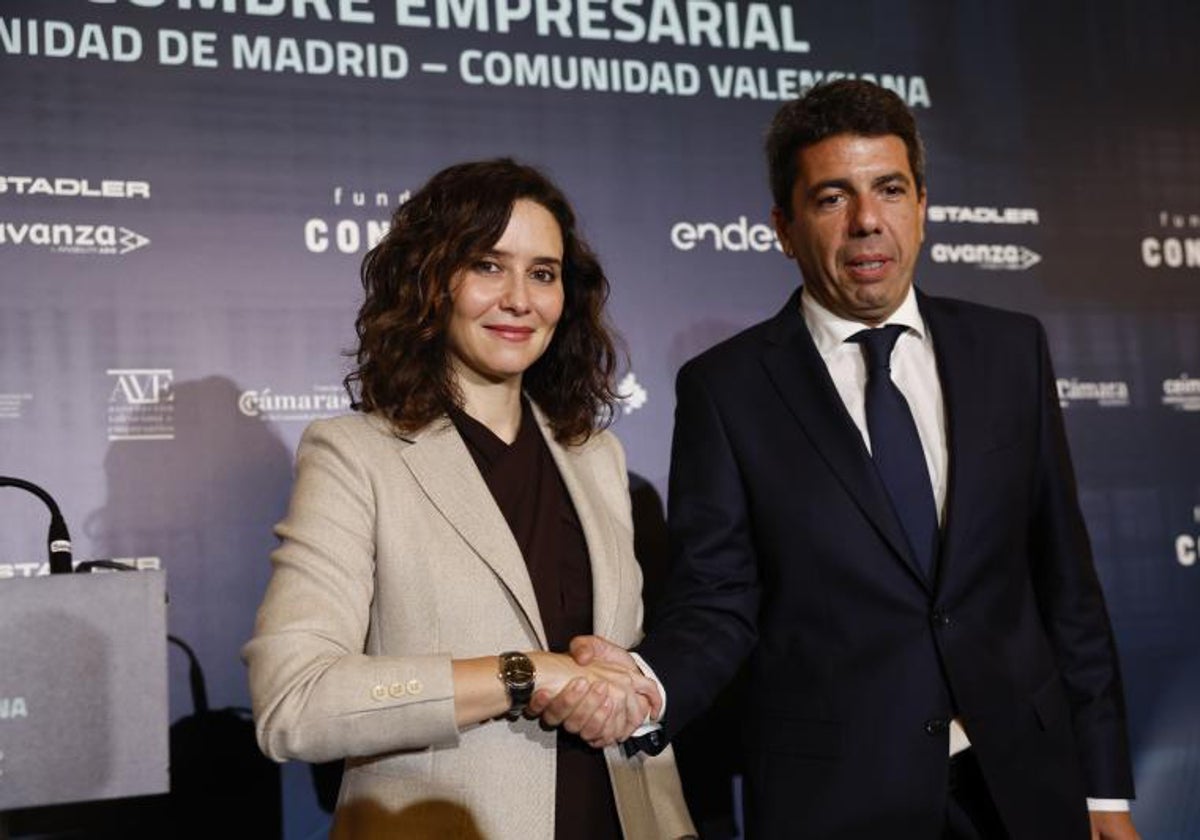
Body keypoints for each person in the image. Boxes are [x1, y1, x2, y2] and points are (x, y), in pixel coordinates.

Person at [534, 81, 1139, 838]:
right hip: (842, 801)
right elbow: (717, 602)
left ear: (922, 206)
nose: (866, 222)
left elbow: (1067, 587)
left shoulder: (1011, 349)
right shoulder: (727, 389)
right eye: (831, 197)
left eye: (889, 189)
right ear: (783, 228)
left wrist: (1105, 795)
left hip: (1025, 785)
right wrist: (649, 683)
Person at [244, 158, 695, 840]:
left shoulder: (596, 458)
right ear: (431, 283)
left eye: (543, 273)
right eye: (488, 265)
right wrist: (521, 675)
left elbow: (616, 667)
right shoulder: (355, 455)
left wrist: (627, 680)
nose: (520, 298)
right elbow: (294, 702)